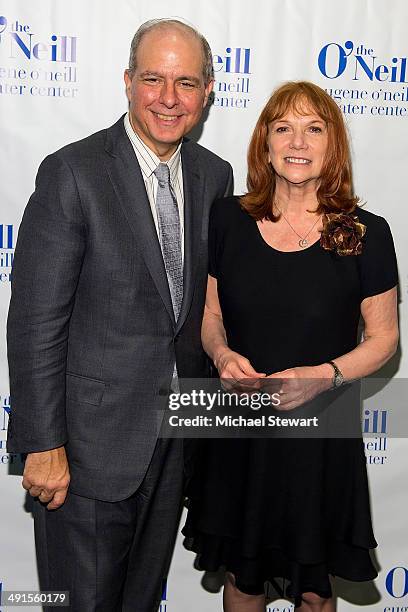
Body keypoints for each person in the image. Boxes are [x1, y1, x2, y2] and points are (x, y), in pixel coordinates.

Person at [6, 18, 233, 612]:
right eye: (154, 79)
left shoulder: (215, 177)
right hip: (85, 455)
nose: (168, 98)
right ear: (127, 81)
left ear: (208, 91)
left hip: (175, 448)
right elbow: (34, 322)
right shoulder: (73, 171)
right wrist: (42, 443)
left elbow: (199, 310)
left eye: (186, 83)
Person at [182, 81, 399, 611]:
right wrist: (221, 355)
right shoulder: (227, 218)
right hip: (239, 428)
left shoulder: (366, 232)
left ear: (333, 146)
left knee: (314, 589)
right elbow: (210, 316)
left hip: (321, 435)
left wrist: (322, 377)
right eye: (283, 128)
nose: (297, 141)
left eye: (313, 128)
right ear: (266, 143)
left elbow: (385, 339)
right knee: (243, 577)